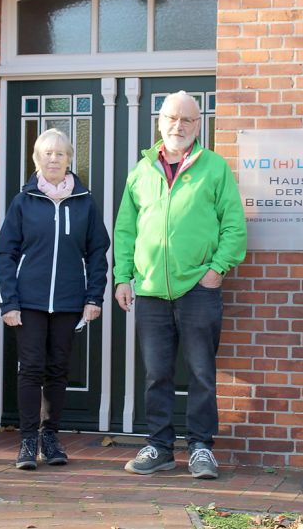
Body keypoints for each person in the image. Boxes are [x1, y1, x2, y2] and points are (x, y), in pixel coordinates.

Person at [113, 91, 247, 479]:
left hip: (198, 289)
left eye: (187, 120)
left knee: (202, 372)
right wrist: (124, 276)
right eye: (172, 118)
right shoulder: (141, 172)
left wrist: (217, 269)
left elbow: (235, 226)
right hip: (152, 290)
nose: (179, 126)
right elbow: (125, 230)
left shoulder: (215, 168)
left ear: (198, 125)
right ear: (160, 122)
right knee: (157, 374)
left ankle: (202, 447)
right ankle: (159, 446)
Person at [0, 128, 110, 470]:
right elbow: (5, 255)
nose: (54, 159)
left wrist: (94, 298)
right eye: (47, 153)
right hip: (28, 302)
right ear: (36, 159)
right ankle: (28, 441)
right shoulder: (23, 201)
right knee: (30, 369)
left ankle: (50, 437)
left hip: (69, 301)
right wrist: (8, 302)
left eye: (60, 154)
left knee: (58, 369)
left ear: (70, 159)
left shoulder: (84, 201)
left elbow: (97, 253)